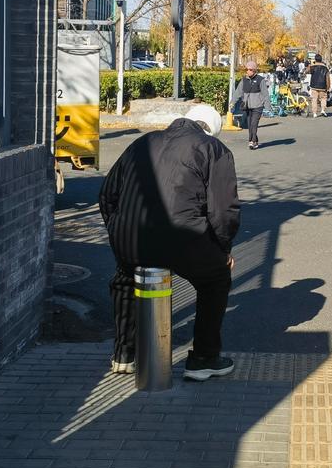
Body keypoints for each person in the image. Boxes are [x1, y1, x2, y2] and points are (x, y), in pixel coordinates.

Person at [98, 104, 240, 381]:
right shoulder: (213, 149)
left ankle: (124, 354)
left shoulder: (142, 142)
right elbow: (224, 211)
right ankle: (204, 358)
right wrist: (223, 249)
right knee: (215, 280)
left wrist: (117, 230)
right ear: (212, 131)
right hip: (183, 238)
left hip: (130, 238)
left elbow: (107, 194)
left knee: (126, 279)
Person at [239, 60, 266, 150]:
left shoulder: (260, 80)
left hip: (258, 106)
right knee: (250, 125)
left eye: (250, 69)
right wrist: (232, 102)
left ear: (254, 70)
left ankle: (252, 141)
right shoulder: (244, 80)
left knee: (254, 124)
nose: (248, 71)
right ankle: (255, 140)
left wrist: (268, 107)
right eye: (247, 69)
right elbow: (238, 92)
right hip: (247, 106)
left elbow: (265, 94)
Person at [307, 53, 330, 118]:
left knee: (314, 99)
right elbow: (327, 78)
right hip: (323, 86)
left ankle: (314, 113)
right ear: (321, 59)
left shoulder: (312, 67)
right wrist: (328, 86)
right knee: (323, 98)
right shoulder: (325, 68)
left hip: (314, 85)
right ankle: (323, 110)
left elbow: (306, 71)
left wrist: (310, 65)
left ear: (315, 59)